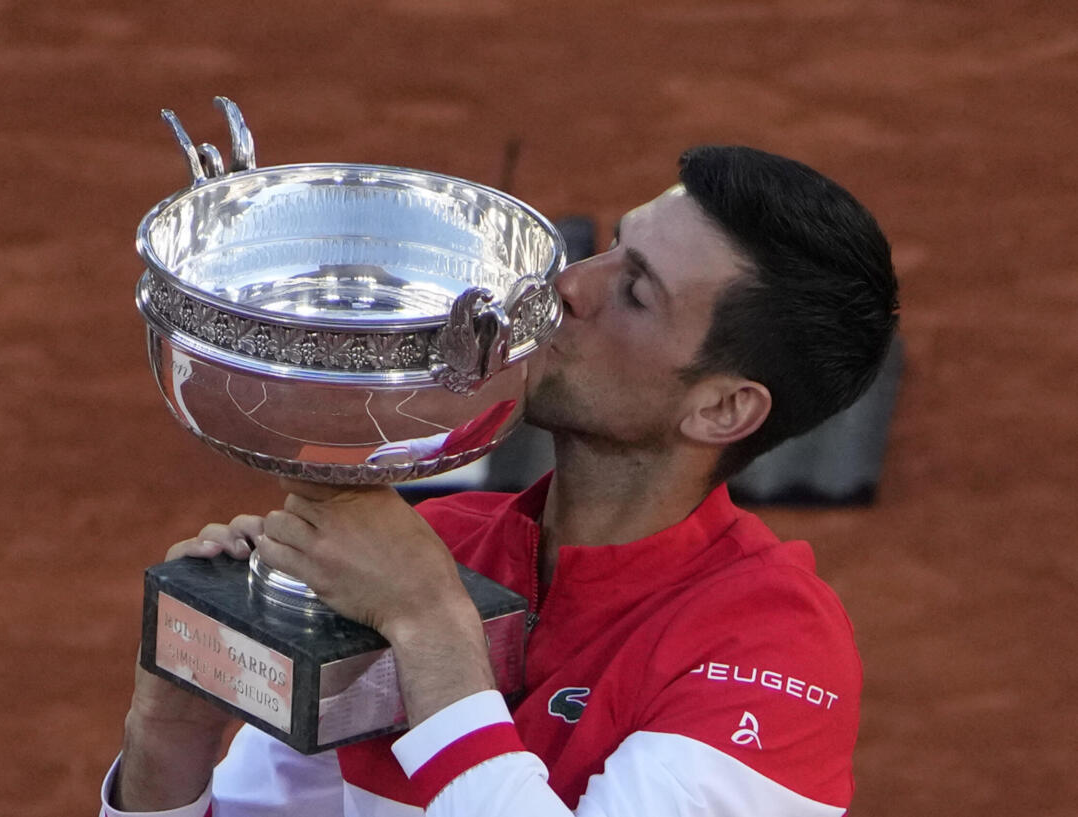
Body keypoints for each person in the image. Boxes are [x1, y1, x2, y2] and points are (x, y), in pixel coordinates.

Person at [100, 145, 899, 817]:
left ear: (723, 408)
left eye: (635, 290)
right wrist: (171, 734)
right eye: (612, 246)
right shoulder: (438, 548)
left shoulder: (770, 651)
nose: (568, 286)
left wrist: (431, 627)